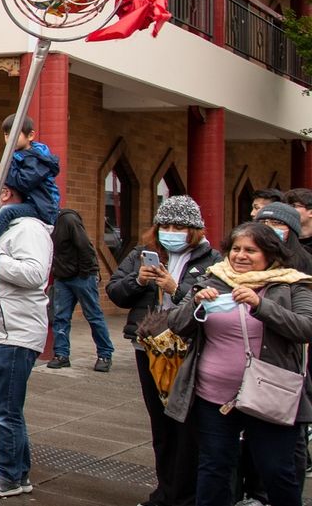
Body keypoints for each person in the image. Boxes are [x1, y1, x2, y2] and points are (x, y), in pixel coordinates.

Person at [165, 222, 312, 506]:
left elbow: (306, 327)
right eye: (236, 249)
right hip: (212, 395)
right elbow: (177, 325)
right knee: (214, 466)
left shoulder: (293, 284)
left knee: (276, 469)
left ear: (270, 254)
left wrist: (260, 305)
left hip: (270, 394)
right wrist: (195, 303)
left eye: (251, 250)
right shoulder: (213, 279)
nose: (241, 256)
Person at [106, 194, 219, 506]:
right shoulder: (143, 253)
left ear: (194, 230)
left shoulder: (213, 261)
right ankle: (164, 492)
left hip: (189, 351)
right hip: (150, 348)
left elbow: (213, 308)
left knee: (186, 425)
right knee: (161, 424)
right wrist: (138, 280)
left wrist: (175, 288)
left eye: (179, 226)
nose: (171, 231)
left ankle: (184, 495)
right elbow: (115, 292)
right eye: (165, 225)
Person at [0, 168, 52, 498]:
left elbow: (34, 274)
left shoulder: (29, 229)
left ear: (6, 195)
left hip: (14, 334)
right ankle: (18, 472)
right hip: (1, 331)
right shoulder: (6, 229)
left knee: (5, 411)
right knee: (7, 408)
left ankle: (8, 475)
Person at [45, 209, 114, 372]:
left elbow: (85, 246)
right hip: (63, 278)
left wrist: (86, 273)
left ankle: (105, 354)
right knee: (60, 317)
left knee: (93, 315)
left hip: (82, 276)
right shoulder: (45, 224)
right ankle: (61, 355)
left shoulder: (68, 220)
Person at [0, 116, 59, 239]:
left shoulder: (36, 159)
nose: (9, 139)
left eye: (15, 134)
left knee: (7, 211)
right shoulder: (20, 155)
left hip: (41, 208)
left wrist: (5, 169)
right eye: (6, 134)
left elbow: (24, 182)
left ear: (30, 136)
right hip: (32, 203)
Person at [253, 202, 312, 272]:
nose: (268, 227)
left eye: (276, 223)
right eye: (262, 222)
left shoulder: (306, 262)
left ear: (291, 230)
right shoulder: (247, 256)